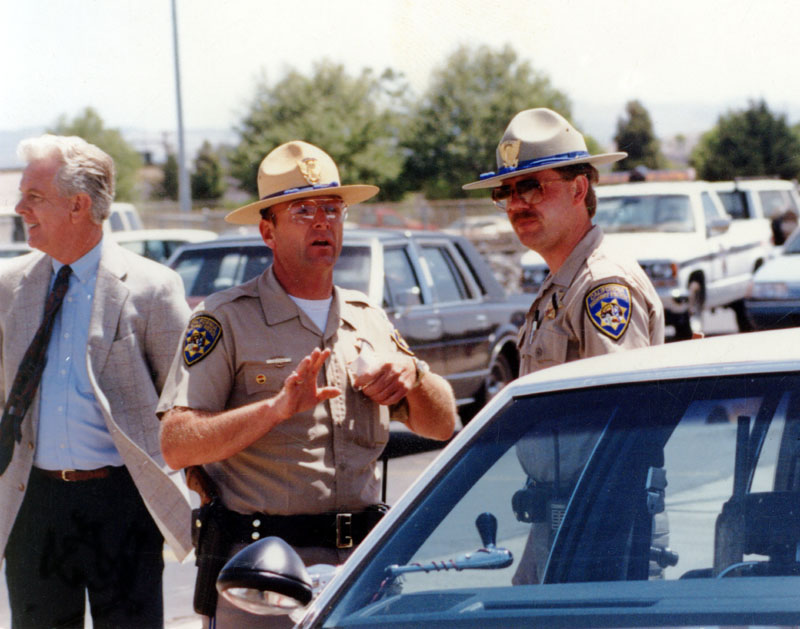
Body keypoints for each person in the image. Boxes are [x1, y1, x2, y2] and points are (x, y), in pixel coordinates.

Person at [157, 140, 457, 628]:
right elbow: (176, 444)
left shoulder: (367, 318)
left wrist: (415, 377)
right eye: (302, 210)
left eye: (332, 209)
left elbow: (443, 425)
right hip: (263, 572)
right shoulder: (223, 319)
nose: (322, 222)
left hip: (361, 567)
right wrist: (273, 410)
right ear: (267, 231)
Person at [463, 108, 666, 584]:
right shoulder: (563, 283)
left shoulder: (603, 286)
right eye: (505, 191)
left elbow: (624, 427)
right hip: (559, 518)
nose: (517, 203)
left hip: (601, 522)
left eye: (532, 185)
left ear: (580, 189)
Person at [0, 135, 193, 628]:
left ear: (79, 205)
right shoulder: (9, 286)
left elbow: (182, 407)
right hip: (34, 506)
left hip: (122, 506)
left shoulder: (151, 288)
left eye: (34, 197)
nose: (20, 207)